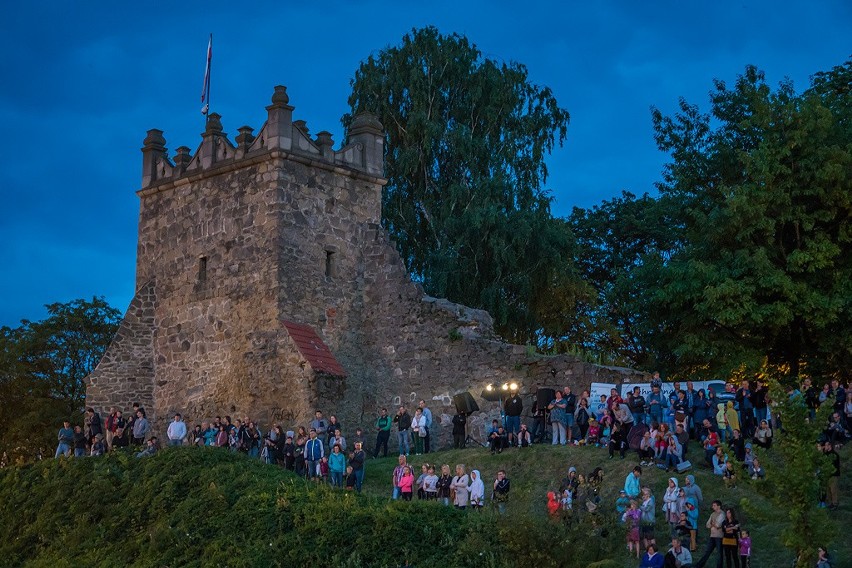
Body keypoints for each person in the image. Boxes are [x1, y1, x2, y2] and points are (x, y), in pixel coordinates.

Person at [695, 500, 725, 568]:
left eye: (714, 505)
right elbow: (707, 524)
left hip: (719, 536)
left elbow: (718, 524)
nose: (713, 507)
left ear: (718, 506)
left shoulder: (722, 514)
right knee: (707, 551)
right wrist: (713, 524)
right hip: (712, 535)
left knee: (719, 553)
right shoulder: (712, 514)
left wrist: (713, 524)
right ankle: (699, 565)